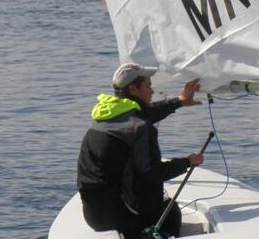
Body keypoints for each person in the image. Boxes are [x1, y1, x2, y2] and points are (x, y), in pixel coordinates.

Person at [77, 64, 204, 239]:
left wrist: (179, 101)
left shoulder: (103, 116)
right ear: (133, 89)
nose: (152, 91)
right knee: (171, 212)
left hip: (93, 216)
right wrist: (188, 162)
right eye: (148, 86)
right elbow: (152, 173)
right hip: (123, 217)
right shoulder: (142, 127)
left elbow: (145, 114)